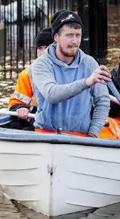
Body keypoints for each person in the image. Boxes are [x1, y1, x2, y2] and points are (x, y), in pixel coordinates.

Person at [30, 9, 113, 138]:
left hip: (80, 136)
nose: (74, 41)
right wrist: (87, 82)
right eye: (69, 35)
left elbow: (102, 101)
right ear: (56, 37)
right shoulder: (40, 64)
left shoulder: (90, 63)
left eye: (77, 35)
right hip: (46, 135)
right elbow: (52, 94)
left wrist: (93, 134)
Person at [6, 28, 52, 130]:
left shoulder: (67, 71)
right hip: (36, 121)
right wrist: (20, 108)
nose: (43, 52)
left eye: (47, 47)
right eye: (40, 48)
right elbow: (16, 101)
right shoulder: (27, 74)